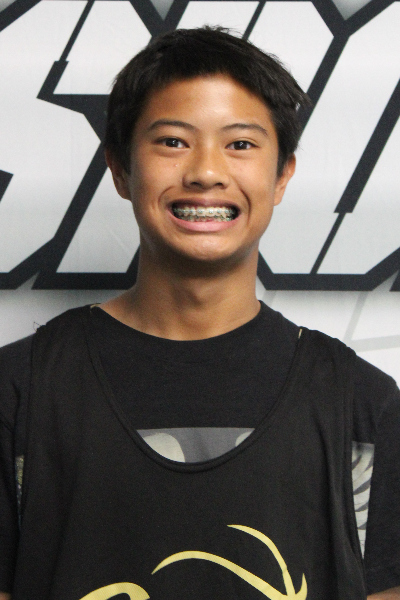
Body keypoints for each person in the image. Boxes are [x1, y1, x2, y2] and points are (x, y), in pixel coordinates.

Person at [0, 26, 399, 600]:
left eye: (240, 144)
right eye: (172, 141)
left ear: (282, 174)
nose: (206, 172)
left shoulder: (363, 405)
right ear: (119, 168)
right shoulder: (20, 392)